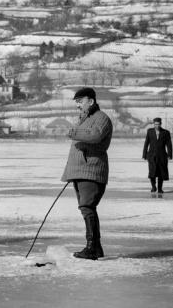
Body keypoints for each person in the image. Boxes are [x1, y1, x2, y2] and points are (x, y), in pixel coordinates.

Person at [61, 87, 113, 260]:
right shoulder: (85, 119)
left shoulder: (101, 118)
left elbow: (95, 135)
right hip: (81, 171)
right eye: (76, 102)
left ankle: (92, 247)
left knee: (87, 207)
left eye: (80, 101)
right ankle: (95, 248)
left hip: (92, 170)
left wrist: (74, 132)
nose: (78, 106)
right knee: (86, 208)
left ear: (90, 101)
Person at [142, 117, 173, 194]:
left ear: (160, 124)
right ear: (153, 124)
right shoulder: (150, 131)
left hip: (162, 156)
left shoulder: (166, 132)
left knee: (161, 173)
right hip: (151, 155)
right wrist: (144, 154)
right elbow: (146, 143)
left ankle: (160, 188)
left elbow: (169, 145)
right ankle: (153, 187)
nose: (157, 126)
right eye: (155, 124)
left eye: (158, 124)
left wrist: (169, 155)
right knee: (152, 172)